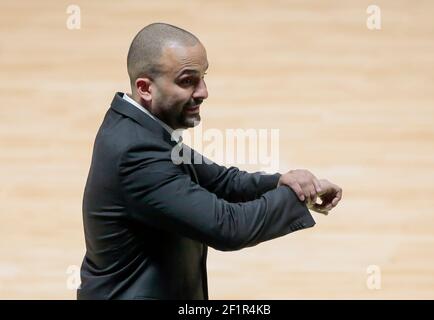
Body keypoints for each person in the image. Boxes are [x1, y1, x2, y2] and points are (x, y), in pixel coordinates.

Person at [77, 22, 342, 300]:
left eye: (203, 77)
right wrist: (298, 197)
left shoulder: (138, 126)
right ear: (145, 88)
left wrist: (279, 182)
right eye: (187, 80)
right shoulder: (136, 153)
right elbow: (227, 227)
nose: (203, 91)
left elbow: (220, 181)